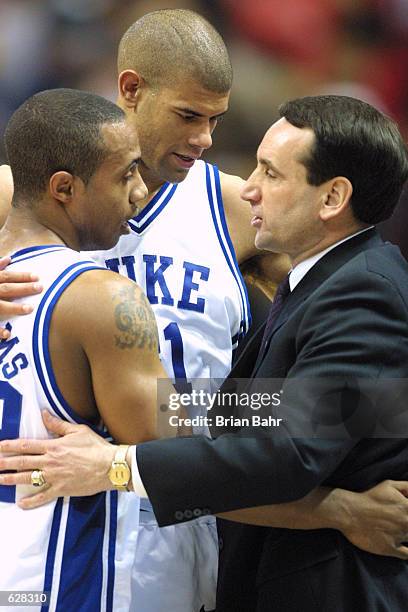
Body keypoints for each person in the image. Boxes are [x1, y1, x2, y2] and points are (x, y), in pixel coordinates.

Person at [0, 10, 408, 612]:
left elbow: (286, 401)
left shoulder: (242, 214)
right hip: (53, 528)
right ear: (132, 89)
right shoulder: (20, 194)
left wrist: (335, 499)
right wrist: (334, 509)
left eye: (216, 120)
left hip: (190, 531)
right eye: (188, 116)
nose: (206, 141)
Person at [0, 87, 170, 611]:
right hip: (51, 591)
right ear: (64, 188)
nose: (141, 192)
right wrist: (296, 405)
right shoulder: (102, 297)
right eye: (126, 175)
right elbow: (183, 456)